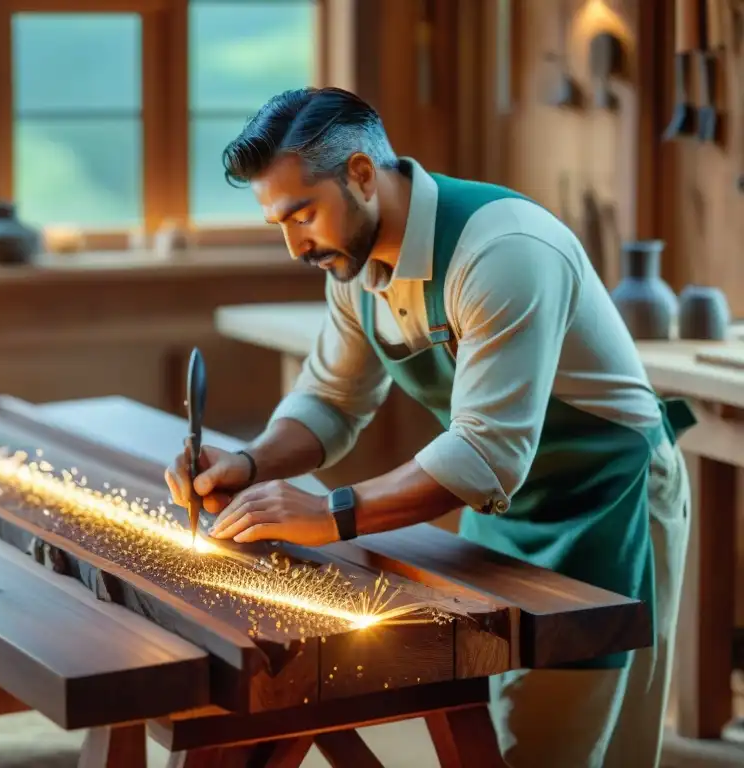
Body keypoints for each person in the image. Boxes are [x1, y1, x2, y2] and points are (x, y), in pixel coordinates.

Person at [164, 86, 695, 768]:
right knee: (490, 712)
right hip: (506, 507)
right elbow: (331, 399)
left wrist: (330, 514)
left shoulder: (504, 251)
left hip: (608, 500)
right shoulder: (350, 265)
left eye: (303, 215)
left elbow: (482, 453)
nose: (296, 245)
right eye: (280, 225)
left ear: (360, 174)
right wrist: (250, 463)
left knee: (567, 741)